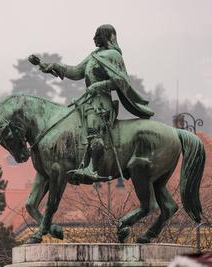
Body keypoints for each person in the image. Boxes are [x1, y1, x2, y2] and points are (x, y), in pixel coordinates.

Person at [42, 24, 154, 182]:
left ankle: (92, 168)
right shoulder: (94, 55)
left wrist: (98, 85)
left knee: (94, 133)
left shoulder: (114, 56)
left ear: (107, 37)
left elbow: (122, 82)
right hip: (87, 101)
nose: (94, 38)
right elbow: (76, 72)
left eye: (98, 35)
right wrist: (56, 66)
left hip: (102, 103)